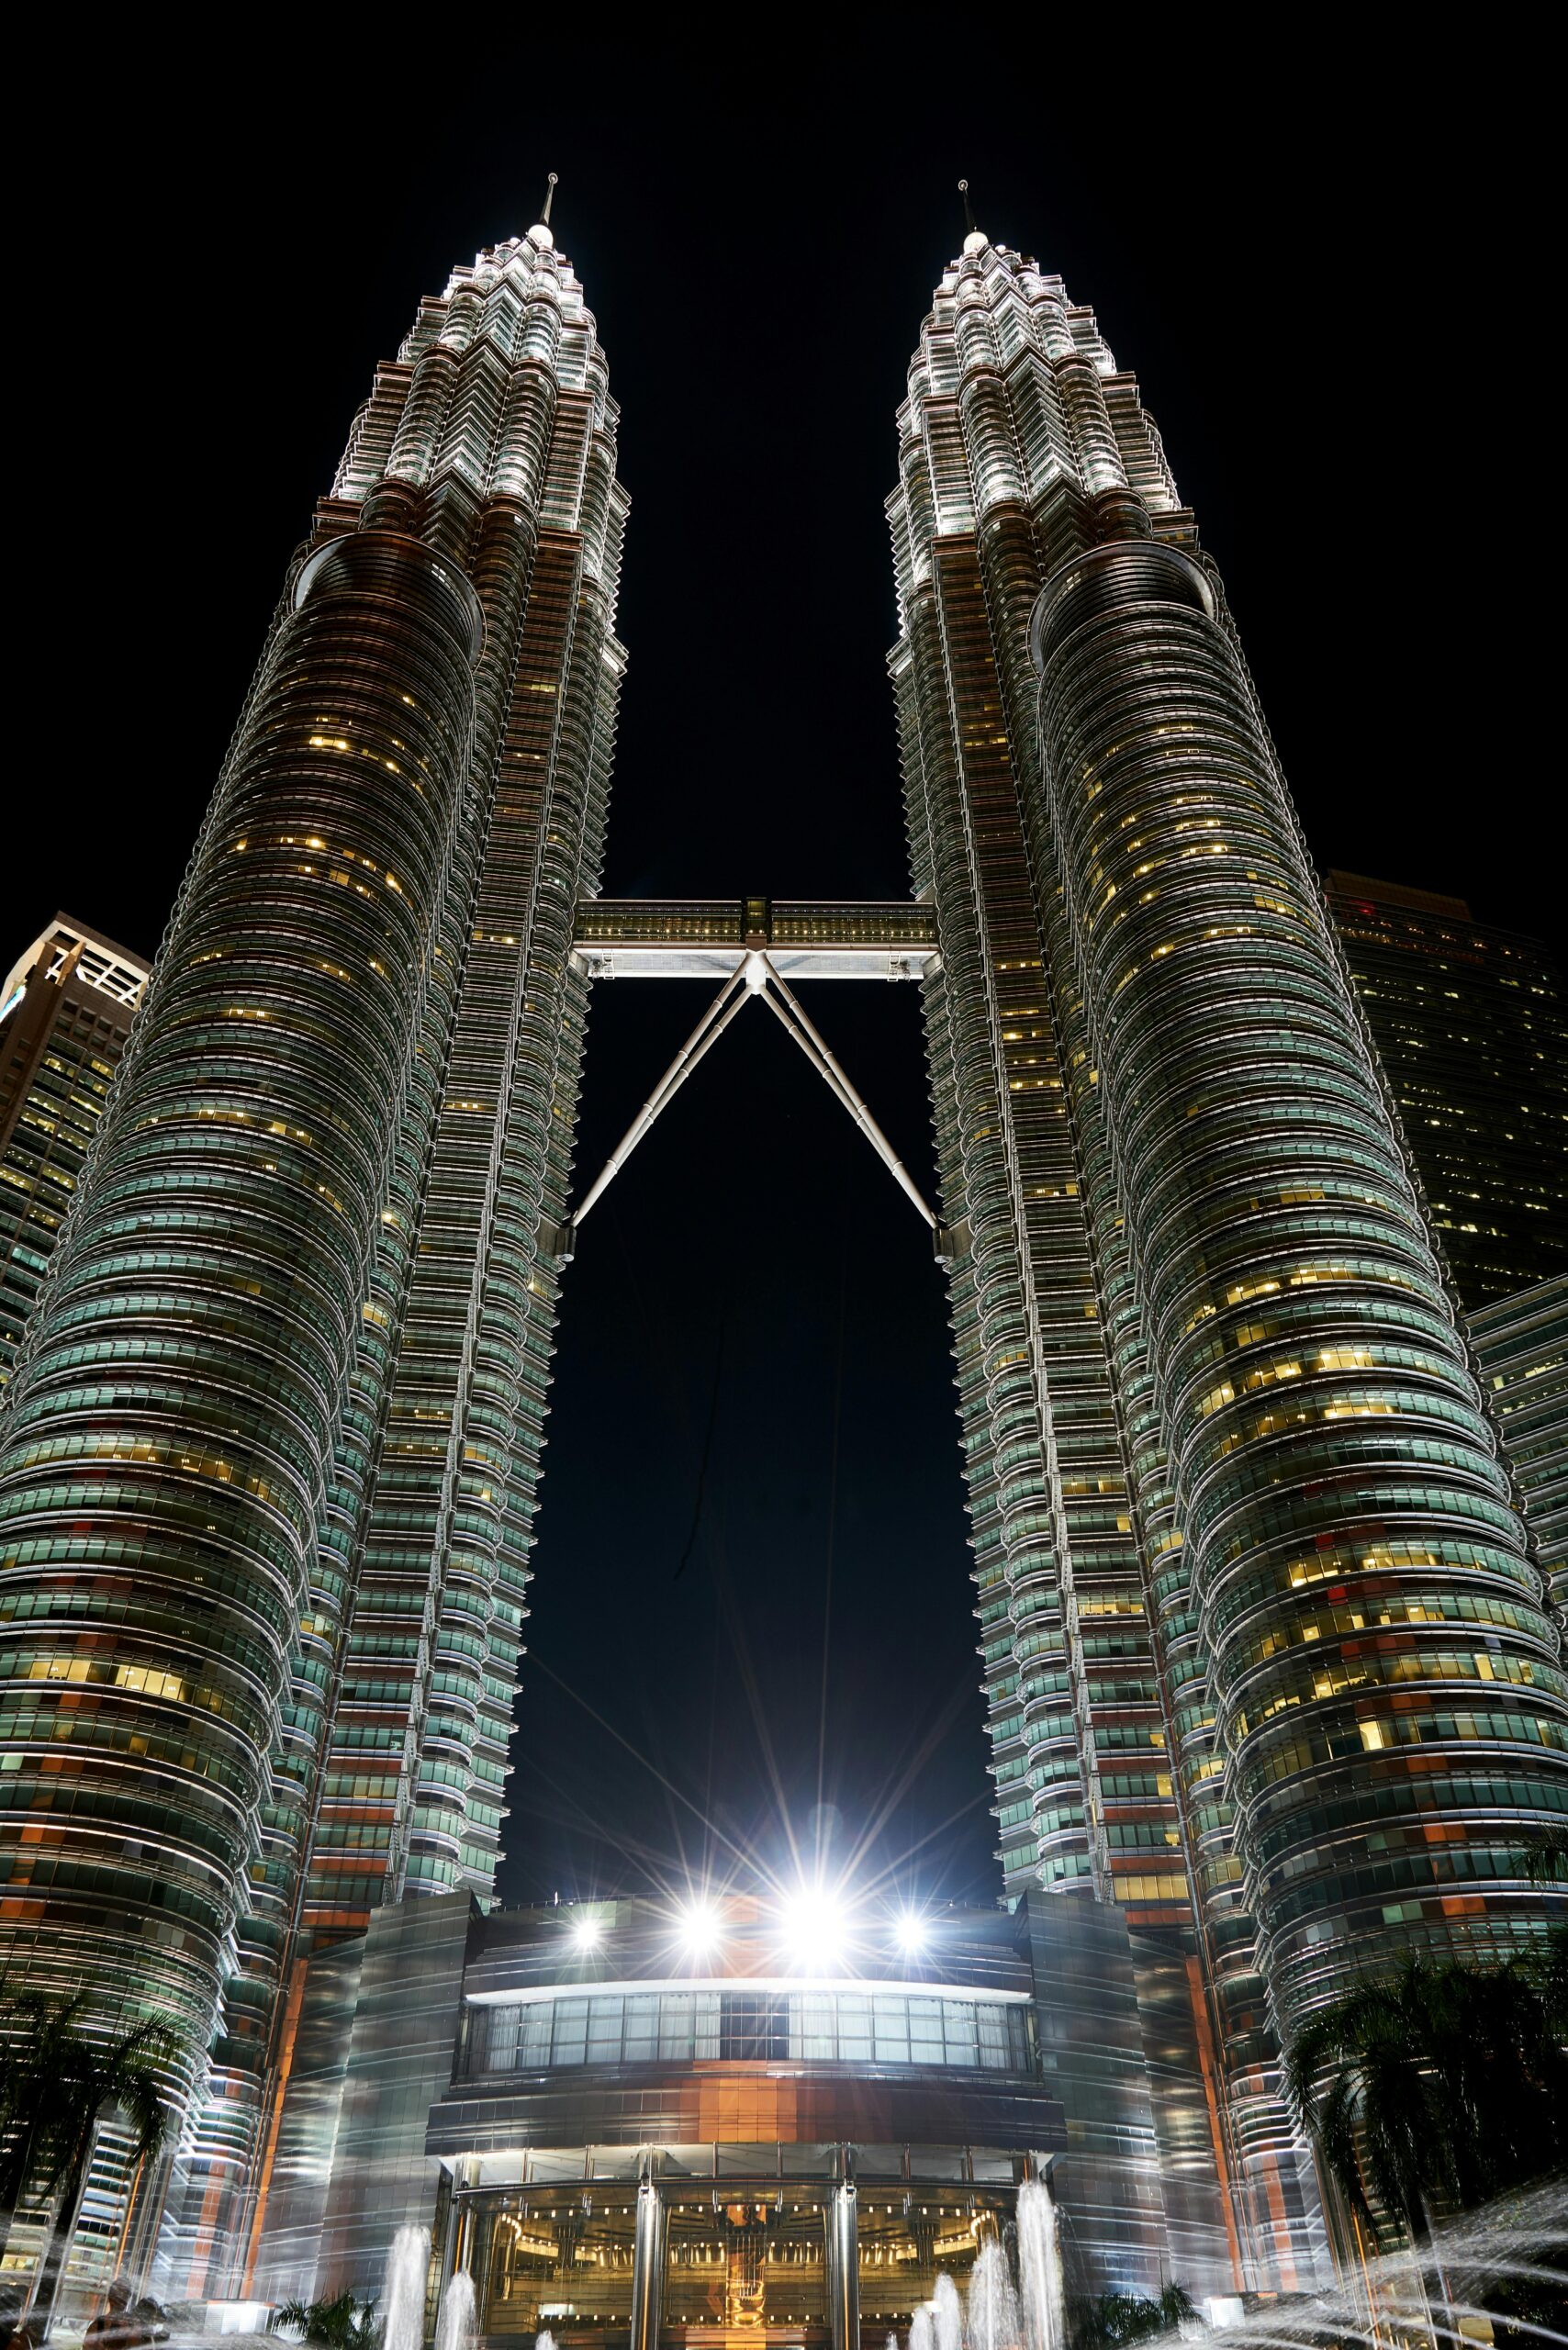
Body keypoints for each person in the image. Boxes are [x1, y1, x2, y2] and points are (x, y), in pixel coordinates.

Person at [84, 2279, 152, 2350]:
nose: (121, 2299)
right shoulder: (98, 2325)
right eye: (118, 2294)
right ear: (110, 2296)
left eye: (125, 2294)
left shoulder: (133, 2325)